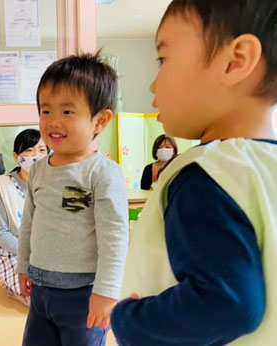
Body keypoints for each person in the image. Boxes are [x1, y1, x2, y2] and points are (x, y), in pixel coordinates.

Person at [111, 1, 277, 345]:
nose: (153, 85)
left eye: (162, 59)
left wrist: (129, 320)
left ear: (235, 61)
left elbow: (229, 305)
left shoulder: (207, 174)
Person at [17, 54, 129, 345]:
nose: (54, 121)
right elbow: (28, 221)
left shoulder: (102, 173)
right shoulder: (39, 169)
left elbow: (114, 237)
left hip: (84, 295)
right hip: (41, 289)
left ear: (100, 120)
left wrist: (107, 291)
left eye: (67, 112)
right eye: (46, 111)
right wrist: (22, 265)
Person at [0, 129, 48, 307]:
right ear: (16, 156)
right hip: (13, 251)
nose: (36, 156)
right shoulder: (2, 184)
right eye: (29, 151)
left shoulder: (54, 183)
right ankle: (20, 295)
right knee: (37, 299)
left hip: (47, 253)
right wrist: (29, 254)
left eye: (42, 150)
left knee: (60, 298)